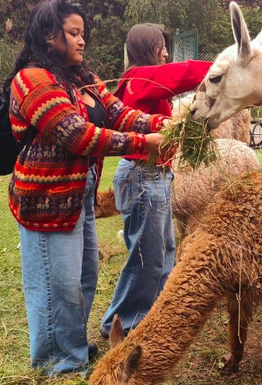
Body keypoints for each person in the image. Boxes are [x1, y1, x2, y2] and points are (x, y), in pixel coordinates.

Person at [5, 0, 167, 376]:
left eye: (83, 34)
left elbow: (119, 113)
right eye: (73, 33)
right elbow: (76, 135)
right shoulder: (31, 80)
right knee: (54, 282)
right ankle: (56, 361)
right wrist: (145, 145)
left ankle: (73, 346)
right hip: (45, 199)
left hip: (79, 194)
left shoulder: (83, 79)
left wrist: (165, 126)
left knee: (83, 277)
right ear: (49, 35)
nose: (81, 41)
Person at [99, 23, 212, 337]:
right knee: (146, 258)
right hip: (142, 176)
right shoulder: (139, 78)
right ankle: (118, 324)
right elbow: (183, 73)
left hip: (154, 175)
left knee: (163, 252)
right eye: (160, 46)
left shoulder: (140, 83)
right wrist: (226, 67)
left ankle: (151, 317)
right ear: (146, 48)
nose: (165, 52)